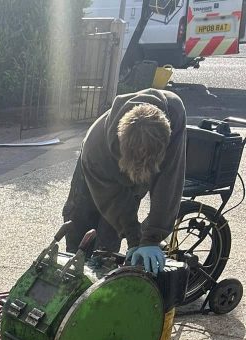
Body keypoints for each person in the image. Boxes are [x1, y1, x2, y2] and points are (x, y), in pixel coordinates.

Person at [62, 88, 186, 274]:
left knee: (107, 244)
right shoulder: (96, 149)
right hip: (96, 173)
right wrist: (134, 237)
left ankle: (106, 281)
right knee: (79, 229)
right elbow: (112, 200)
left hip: (135, 158)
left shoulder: (174, 114)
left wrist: (151, 239)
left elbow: (169, 182)